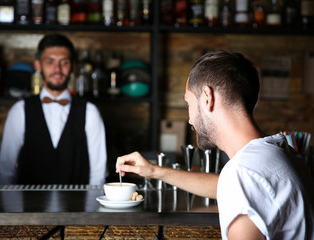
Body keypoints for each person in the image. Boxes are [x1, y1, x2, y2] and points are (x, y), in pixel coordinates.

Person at [116, 50, 314, 239]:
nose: (190, 119)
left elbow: (241, 183)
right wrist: (154, 171)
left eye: (188, 103)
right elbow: (223, 186)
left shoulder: (243, 174)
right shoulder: (278, 151)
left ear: (207, 97)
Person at [0, 33, 107, 185]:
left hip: (78, 206)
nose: (57, 69)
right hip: (30, 207)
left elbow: (98, 174)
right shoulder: (19, 110)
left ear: (73, 67)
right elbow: (5, 172)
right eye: (50, 62)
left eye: (64, 62)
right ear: (38, 65)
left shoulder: (90, 112)